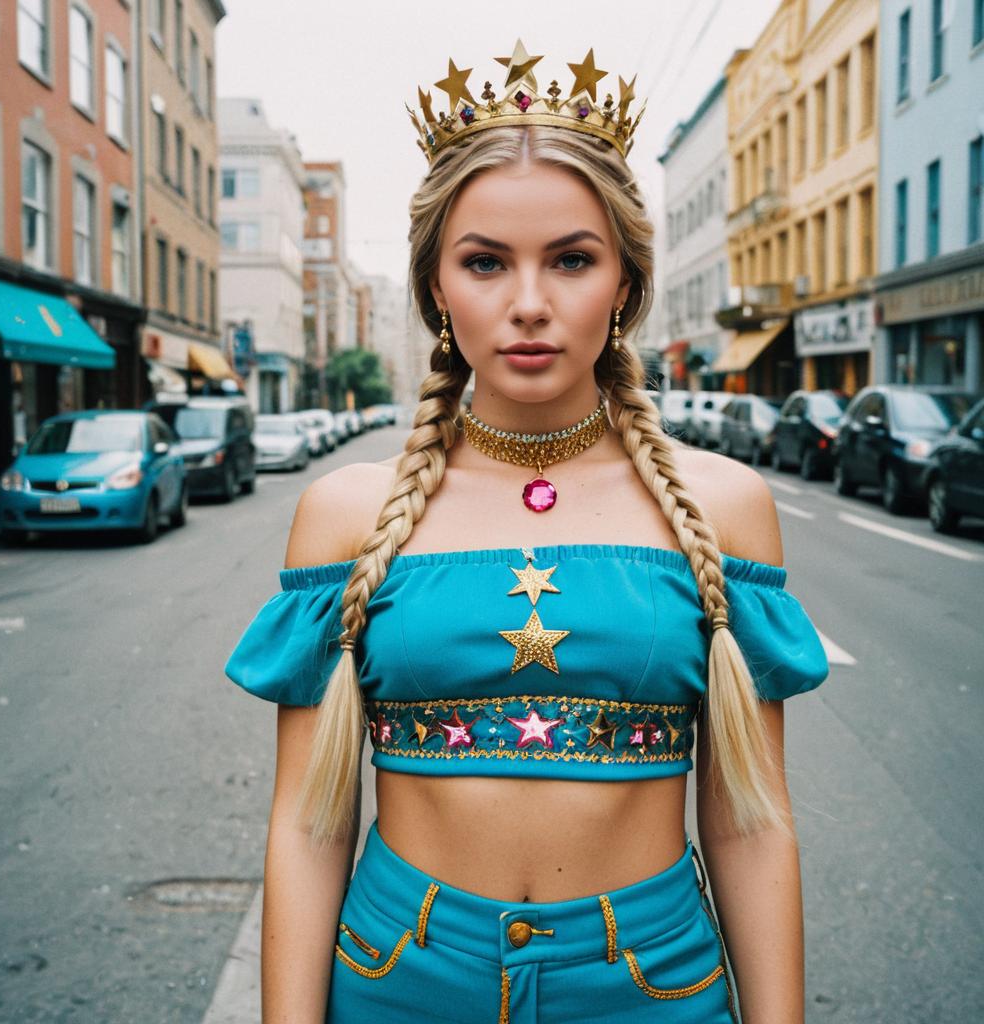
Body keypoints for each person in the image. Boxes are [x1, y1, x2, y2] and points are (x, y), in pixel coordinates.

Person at [225, 42, 829, 1024]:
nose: (529, 303)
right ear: (434, 288)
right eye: (484, 262)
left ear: (625, 283)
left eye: (572, 259)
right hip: (397, 980)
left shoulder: (723, 508)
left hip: (651, 986)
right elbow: (307, 821)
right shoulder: (343, 514)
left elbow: (751, 824)